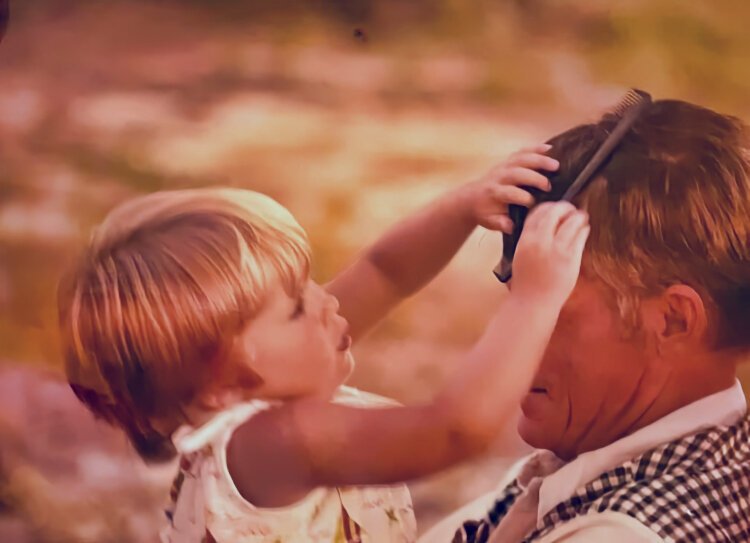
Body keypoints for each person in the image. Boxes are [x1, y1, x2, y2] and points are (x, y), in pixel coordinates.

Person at [57, 147, 590, 543]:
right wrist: (534, 298)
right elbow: (454, 430)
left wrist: (464, 206)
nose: (327, 302)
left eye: (308, 284)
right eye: (294, 307)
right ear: (223, 383)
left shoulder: (274, 374)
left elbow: (384, 273)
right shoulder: (272, 441)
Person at [421, 98, 750, 543]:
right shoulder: (593, 469)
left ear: (672, 320)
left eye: (550, 306)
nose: (513, 336)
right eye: (518, 301)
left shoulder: (627, 534)